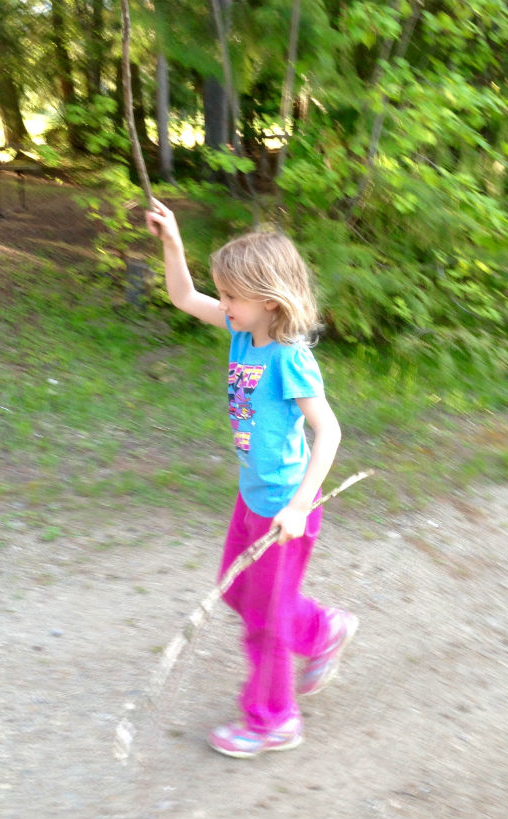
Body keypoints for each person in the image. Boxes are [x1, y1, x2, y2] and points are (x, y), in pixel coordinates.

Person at [145, 199, 358, 759]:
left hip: (287, 511)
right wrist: (170, 241)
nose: (225, 305)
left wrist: (298, 505)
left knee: (264, 621)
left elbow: (329, 433)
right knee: (239, 590)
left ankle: (273, 720)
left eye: (233, 296)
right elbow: (184, 298)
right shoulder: (243, 332)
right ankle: (320, 630)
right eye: (226, 295)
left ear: (268, 301)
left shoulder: (289, 358)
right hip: (252, 501)